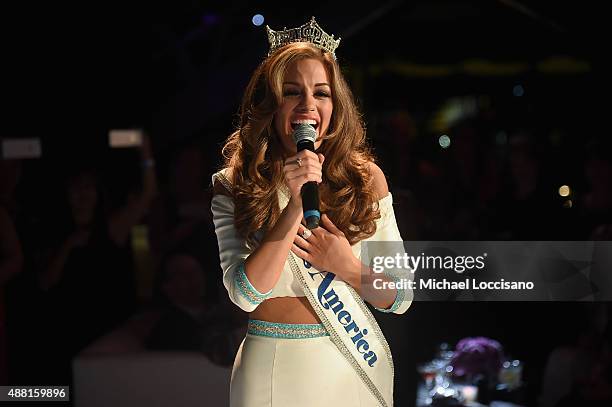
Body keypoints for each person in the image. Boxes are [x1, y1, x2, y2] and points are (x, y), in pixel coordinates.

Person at [211, 17, 412, 407]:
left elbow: (400, 296)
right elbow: (245, 293)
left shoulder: (365, 179)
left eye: (321, 93)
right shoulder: (233, 183)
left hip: (350, 365)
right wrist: (291, 206)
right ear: (269, 103)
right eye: (291, 92)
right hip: (271, 368)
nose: (308, 106)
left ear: (335, 105)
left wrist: (348, 267)